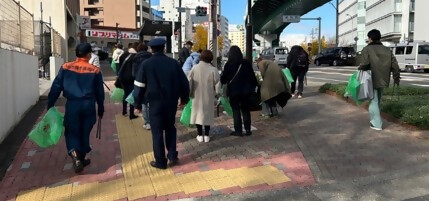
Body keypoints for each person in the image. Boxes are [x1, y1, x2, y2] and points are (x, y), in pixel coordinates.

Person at [47, 43, 105, 173]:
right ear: (88, 54)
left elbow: (56, 86)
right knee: (84, 131)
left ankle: (75, 156)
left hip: (72, 105)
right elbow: (100, 92)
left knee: (72, 131)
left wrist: (50, 103)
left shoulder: (66, 67)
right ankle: (81, 158)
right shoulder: (95, 70)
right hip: (88, 105)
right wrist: (101, 108)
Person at [133, 38, 189, 169]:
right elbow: (184, 83)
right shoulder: (173, 63)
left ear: (151, 49)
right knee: (170, 127)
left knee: (157, 131)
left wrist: (137, 104)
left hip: (154, 103)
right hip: (171, 102)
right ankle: (173, 156)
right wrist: (184, 99)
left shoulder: (146, 64)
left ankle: (160, 161)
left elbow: (139, 85)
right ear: (164, 48)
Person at [358, 29, 400, 131]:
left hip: (371, 78)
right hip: (384, 78)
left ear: (371, 38)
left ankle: (376, 124)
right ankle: (375, 120)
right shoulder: (387, 50)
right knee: (377, 101)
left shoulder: (367, 49)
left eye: (368, 38)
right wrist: (396, 77)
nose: (368, 40)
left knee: (373, 101)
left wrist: (360, 68)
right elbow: (395, 65)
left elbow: (364, 63)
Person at [221, 46, 258, 137]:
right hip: (246, 91)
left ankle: (238, 131)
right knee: (245, 110)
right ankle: (248, 130)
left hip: (233, 91)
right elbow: (252, 77)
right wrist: (254, 87)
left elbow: (224, 79)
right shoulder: (246, 63)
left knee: (236, 111)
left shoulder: (228, 64)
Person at [188, 50, 221, 143]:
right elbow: (218, 84)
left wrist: (189, 93)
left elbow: (189, 81)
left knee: (198, 115)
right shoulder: (213, 69)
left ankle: (199, 134)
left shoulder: (195, 68)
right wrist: (218, 95)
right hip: (209, 95)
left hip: (196, 95)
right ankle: (206, 135)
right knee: (207, 115)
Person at [132, 42, 152, 129]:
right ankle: (152, 121)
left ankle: (147, 123)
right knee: (150, 103)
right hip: (150, 82)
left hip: (139, 82)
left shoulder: (135, 58)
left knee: (144, 103)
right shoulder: (151, 57)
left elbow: (133, 73)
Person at [118, 42, 139, 119]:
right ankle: (131, 114)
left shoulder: (123, 54)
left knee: (126, 94)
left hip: (123, 78)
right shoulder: (135, 56)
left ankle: (124, 111)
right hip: (131, 78)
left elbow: (120, 66)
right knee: (132, 95)